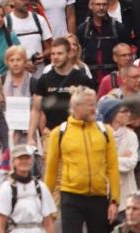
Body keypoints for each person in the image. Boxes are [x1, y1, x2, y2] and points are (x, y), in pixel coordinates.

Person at [44, 87, 120, 233]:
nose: (94, 109)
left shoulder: (105, 131)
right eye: (90, 105)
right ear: (77, 107)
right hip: (71, 197)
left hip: (99, 197)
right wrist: (46, 207)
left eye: (95, 104)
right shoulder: (59, 133)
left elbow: (112, 167)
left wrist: (114, 201)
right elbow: (51, 172)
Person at [0, 145, 56, 233]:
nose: (24, 161)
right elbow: (0, 224)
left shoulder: (40, 187)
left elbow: (48, 222)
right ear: (13, 162)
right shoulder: (7, 188)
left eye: (27, 158)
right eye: (20, 159)